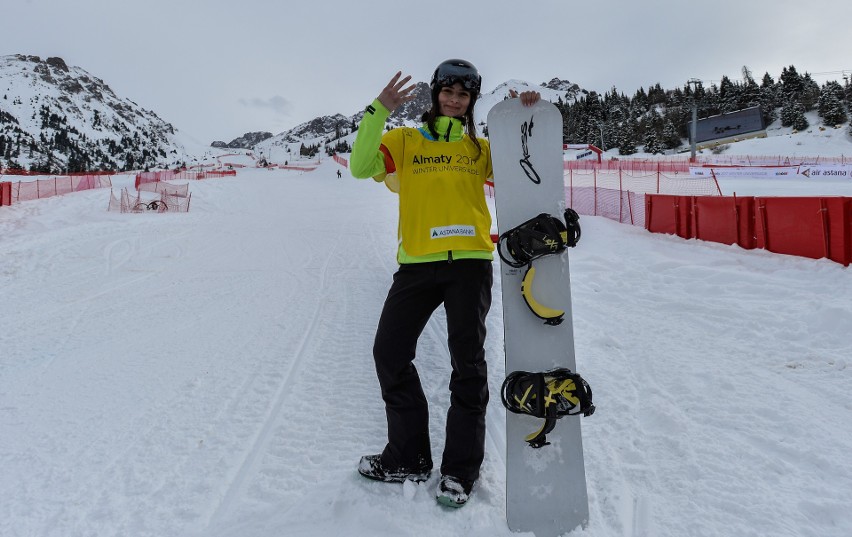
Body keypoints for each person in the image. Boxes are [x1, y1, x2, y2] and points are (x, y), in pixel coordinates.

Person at [349, 59, 540, 508]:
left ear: (472, 100)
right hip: (416, 264)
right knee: (389, 353)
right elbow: (360, 166)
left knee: (468, 366)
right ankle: (408, 457)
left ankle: (459, 471)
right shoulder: (406, 139)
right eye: (448, 91)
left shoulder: (480, 148)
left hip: (469, 264)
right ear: (435, 93)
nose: (454, 100)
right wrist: (379, 109)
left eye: (464, 94)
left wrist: (523, 119)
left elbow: (529, 168)